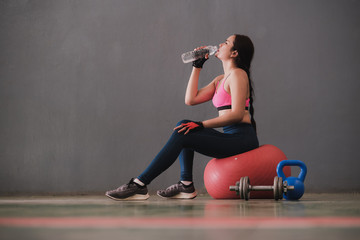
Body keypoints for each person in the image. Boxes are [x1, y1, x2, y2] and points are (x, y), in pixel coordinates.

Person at [106, 34, 259, 201]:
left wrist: (201, 124)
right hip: (231, 136)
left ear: (234, 53)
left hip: (242, 139)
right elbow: (190, 99)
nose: (221, 44)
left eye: (226, 42)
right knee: (184, 126)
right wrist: (197, 66)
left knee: (187, 128)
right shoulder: (220, 80)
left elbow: (236, 115)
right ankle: (185, 185)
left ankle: (140, 184)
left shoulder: (238, 75)